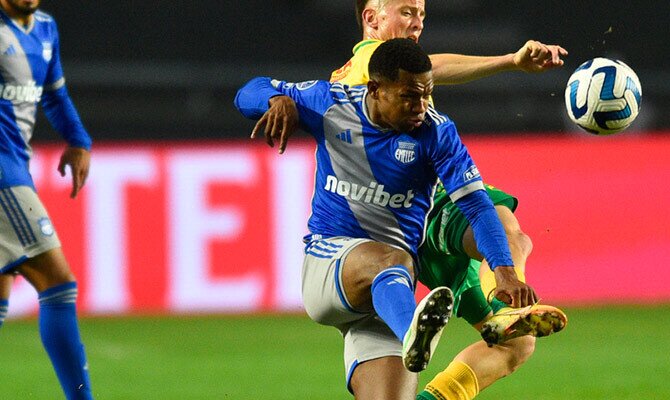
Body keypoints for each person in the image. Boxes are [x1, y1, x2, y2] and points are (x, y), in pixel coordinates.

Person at [235, 38, 538, 400]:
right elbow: (248, 91)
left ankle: (412, 334)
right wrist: (274, 99)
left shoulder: (437, 132)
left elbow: (476, 205)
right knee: (393, 259)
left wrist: (503, 269)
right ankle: (415, 331)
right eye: (409, 96)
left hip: (389, 299)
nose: (421, 106)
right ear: (375, 89)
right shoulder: (331, 105)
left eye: (426, 94)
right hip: (332, 264)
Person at [329, 1, 568, 399]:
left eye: (421, 12)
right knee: (503, 223)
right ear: (372, 18)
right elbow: (434, 67)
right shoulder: (373, 59)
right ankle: (509, 304)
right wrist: (510, 60)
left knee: (517, 345)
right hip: (425, 204)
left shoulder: (349, 77)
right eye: (406, 11)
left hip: (399, 228)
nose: (418, 21)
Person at [0, 0, 94, 398]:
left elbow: (54, 95)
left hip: (16, 166)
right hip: (4, 176)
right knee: (58, 282)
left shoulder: (45, 28)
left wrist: (78, 139)